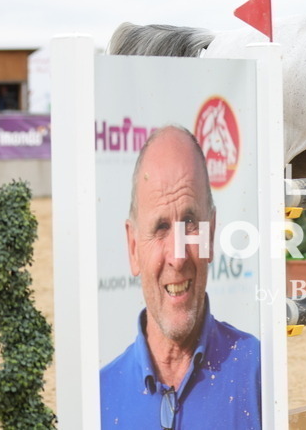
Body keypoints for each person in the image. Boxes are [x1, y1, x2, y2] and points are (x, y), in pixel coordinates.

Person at [101, 125, 261, 429]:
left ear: (210, 235)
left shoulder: (259, 372)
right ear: (133, 247)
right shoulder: (99, 399)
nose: (178, 256)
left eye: (189, 223)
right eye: (161, 227)